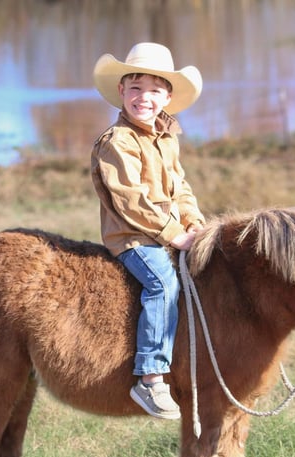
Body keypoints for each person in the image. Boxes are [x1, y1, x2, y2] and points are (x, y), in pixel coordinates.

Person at [91, 42, 206, 420]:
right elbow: (131, 202)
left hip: (169, 230)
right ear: (121, 92)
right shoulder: (117, 142)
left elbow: (180, 187)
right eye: (136, 88)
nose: (145, 98)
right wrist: (175, 235)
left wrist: (195, 224)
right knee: (163, 283)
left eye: (155, 90)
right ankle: (150, 376)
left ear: (168, 97)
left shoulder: (166, 137)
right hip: (134, 237)